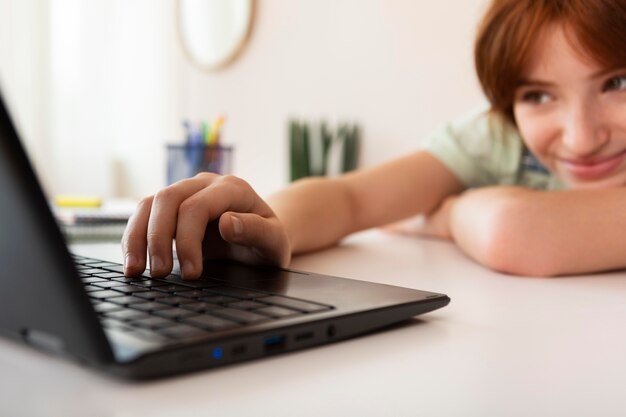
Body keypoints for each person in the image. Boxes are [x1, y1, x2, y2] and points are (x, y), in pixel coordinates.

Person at [123, 0, 626, 279]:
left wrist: (451, 213)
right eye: (539, 95)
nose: (582, 139)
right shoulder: (500, 133)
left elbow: (517, 234)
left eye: (617, 83)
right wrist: (266, 224)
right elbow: (351, 197)